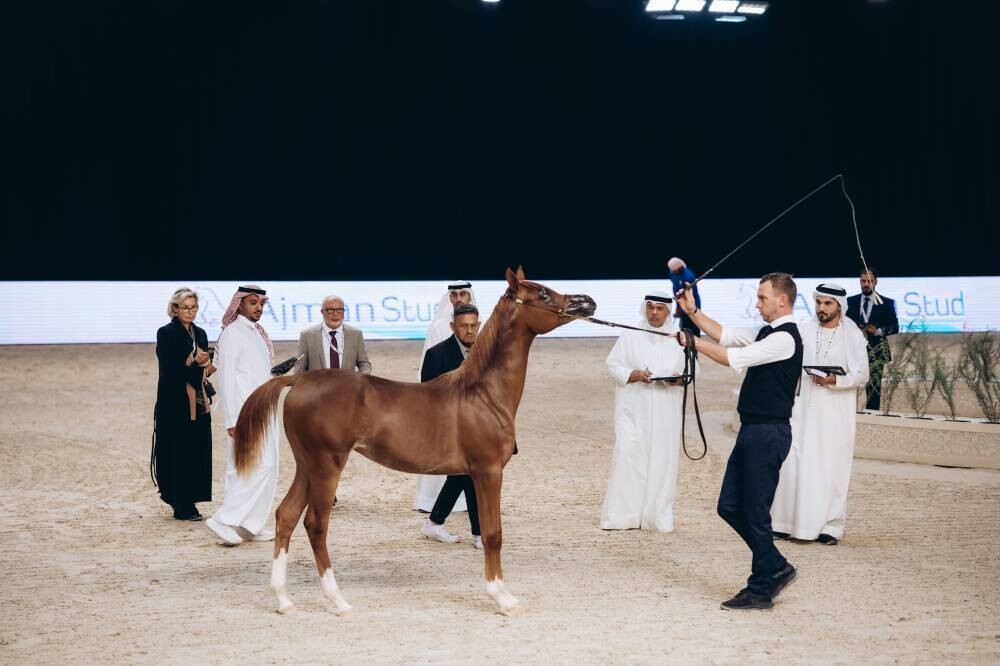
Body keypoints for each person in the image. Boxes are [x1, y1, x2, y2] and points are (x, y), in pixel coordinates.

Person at [675, 272, 802, 611]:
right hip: (752, 431)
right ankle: (776, 565)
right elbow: (726, 335)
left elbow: (732, 357)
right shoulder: (767, 332)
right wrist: (692, 313)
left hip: (769, 433)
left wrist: (693, 342)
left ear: (782, 300)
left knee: (756, 513)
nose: (756, 303)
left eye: (762, 298)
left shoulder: (785, 339)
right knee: (729, 506)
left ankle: (760, 590)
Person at [771, 284, 869, 546]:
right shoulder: (802, 330)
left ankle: (829, 526)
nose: (822, 308)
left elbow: (862, 375)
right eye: (819, 303)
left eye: (828, 304)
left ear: (839, 306)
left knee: (830, 466)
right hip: (802, 410)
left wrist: (836, 380)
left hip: (834, 413)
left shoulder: (852, 336)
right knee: (794, 462)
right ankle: (784, 523)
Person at [600, 292, 687, 532]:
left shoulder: (677, 339)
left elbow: (693, 371)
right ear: (644, 309)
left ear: (668, 312)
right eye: (650, 308)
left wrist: (677, 381)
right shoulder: (630, 334)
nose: (654, 313)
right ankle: (621, 516)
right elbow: (612, 364)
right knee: (628, 457)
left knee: (662, 461)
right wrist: (635, 374)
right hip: (633, 411)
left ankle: (655, 518)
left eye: (660, 309)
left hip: (665, 412)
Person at [205, 285, 279, 546]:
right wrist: (232, 419)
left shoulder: (256, 332)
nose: (258, 307)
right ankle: (224, 520)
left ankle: (249, 524)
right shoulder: (233, 334)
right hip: (244, 414)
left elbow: (252, 373)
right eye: (252, 302)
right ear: (240, 304)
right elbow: (225, 379)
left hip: (264, 408)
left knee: (267, 466)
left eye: (260, 303)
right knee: (251, 468)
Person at [419, 303, 483, 550]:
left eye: (473, 326)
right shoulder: (437, 354)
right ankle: (479, 533)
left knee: (461, 476)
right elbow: (427, 395)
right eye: (464, 326)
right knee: (469, 474)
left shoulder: (489, 352)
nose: (469, 331)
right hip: (451, 428)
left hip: (481, 427)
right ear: (452, 326)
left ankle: (434, 523)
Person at [412, 281, 477, 513]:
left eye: (463, 294)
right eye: (454, 295)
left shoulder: (478, 325)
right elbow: (427, 364)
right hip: (446, 405)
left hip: (473, 409)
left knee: (463, 466)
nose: (458, 298)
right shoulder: (440, 325)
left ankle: (440, 519)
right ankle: (433, 508)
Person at [152, 288, 215, 521]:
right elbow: (169, 368)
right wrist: (193, 361)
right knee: (178, 452)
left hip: (198, 402)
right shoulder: (166, 333)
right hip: (174, 403)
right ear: (175, 309)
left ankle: (191, 498)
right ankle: (180, 503)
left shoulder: (200, 333)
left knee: (196, 450)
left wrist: (206, 361)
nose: (190, 311)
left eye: (194, 307)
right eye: (185, 307)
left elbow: (207, 365)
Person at [846, 268, 899, 411]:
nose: (866, 284)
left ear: (876, 282)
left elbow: (895, 327)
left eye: (869, 281)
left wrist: (878, 331)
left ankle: (872, 415)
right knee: (849, 382)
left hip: (877, 351)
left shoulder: (887, 303)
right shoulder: (849, 302)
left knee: (874, 386)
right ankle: (849, 413)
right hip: (852, 350)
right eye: (863, 281)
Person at [293, 295, 372, 374]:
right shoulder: (307, 335)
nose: (335, 314)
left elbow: (364, 363)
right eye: (330, 310)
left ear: (343, 312)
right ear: (322, 312)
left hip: (347, 385)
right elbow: (300, 368)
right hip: (318, 386)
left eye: (339, 310)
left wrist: (361, 380)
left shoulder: (355, 334)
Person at [668, 257, 701, 337]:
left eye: (675, 270)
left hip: (691, 303)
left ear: (680, 268)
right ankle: (685, 343)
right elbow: (675, 286)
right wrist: (678, 307)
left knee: (693, 324)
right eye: (672, 270)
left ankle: (695, 343)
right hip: (680, 302)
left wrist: (679, 310)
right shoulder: (672, 273)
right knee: (684, 326)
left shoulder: (688, 277)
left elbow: (688, 295)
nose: (673, 272)